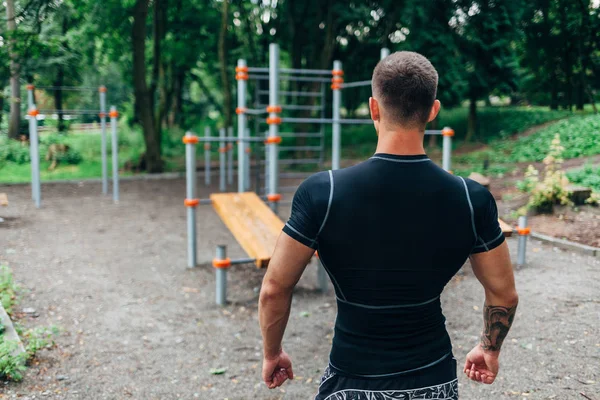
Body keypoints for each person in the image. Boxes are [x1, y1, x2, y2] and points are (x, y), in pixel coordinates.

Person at [258, 51, 519, 399]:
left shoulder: (324, 193)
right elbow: (504, 293)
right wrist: (489, 349)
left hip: (352, 382)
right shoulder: (471, 198)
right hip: (433, 379)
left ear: (373, 108)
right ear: (433, 111)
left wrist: (272, 353)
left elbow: (275, 287)